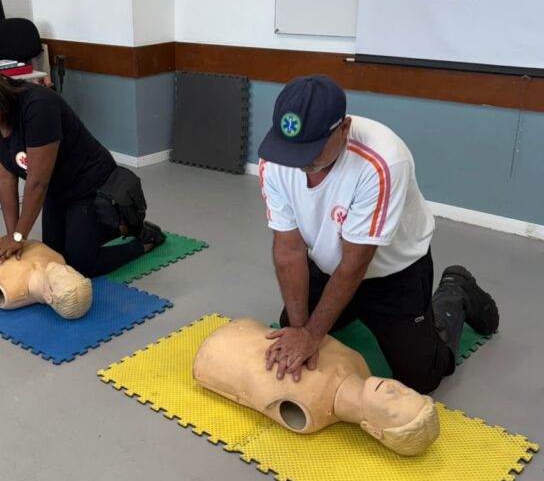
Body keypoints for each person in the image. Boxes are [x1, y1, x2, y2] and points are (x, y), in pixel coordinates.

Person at [258, 74, 499, 395]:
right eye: (293, 150)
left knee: (421, 378)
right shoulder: (277, 158)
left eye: (312, 150)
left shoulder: (383, 160)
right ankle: (347, 312)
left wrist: (313, 336)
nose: (300, 162)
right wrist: (302, 331)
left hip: (391, 274)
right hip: (328, 265)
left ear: (343, 128)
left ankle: (456, 292)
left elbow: (355, 263)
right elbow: (288, 250)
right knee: (291, 327)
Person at [0, 64, 166, 277]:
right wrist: (13, 235)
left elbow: (38, 181)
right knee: (55, 257)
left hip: (90, 185)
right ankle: (104, 227)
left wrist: (19, 236)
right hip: (56, 192)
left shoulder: (38, 106)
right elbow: (3, 177)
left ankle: (141, 236)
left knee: (79, 263)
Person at [193, 318, 439, 456]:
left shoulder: (311, 412)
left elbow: (252, 389)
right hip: (246, 329)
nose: (392, 390)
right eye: (407, 392)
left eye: (393, 409)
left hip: (212, 356)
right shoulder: (359, 364)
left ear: (375, 430)